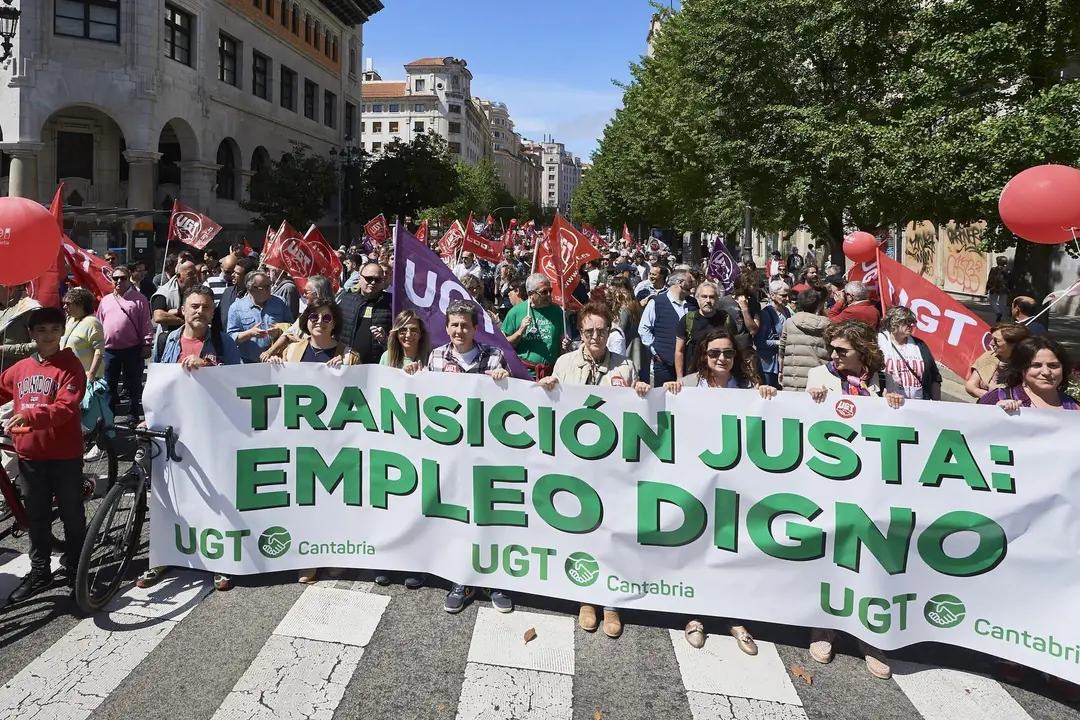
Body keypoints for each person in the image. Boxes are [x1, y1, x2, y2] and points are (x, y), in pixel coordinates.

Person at [538, 303, 650, 639]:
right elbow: (551, 407)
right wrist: (546, 388)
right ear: (580, 334)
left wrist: (642, 391)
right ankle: (587, 597)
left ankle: (611, 602)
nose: (596, 337)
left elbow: (637, 411)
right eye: (589, 331)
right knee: (583, 528)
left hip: (613, 465)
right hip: (576, 463)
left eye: (602, 331)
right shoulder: (565, 364)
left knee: (611, 531)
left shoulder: (625, 366)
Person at [664, 328, 773, 656]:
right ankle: (695, 615)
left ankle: (734, 617)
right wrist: (667, 390)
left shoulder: (750, 389)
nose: (721, 359)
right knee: (698, 545)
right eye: (714, 353)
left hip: (737, 484)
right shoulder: (690, 385)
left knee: (731, 548)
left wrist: (769, 395)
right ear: (704, 355)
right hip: (696, 482)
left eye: (727, 353)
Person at [805, 320, 902, 679]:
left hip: (872, 485)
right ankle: (822, 627)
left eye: (842, 350)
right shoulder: (820, 376)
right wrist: (812, 402)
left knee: (869, 557)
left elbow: (904, 422)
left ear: (863, 351)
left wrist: (895, 403)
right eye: (832, 349)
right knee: (830, 551)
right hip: (830, 482)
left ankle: (868, 636)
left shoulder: (884, 381)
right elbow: (802, 421)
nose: (834, 355)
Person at [405, 300, 514, 614]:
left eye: (465, 325)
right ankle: (460, 578)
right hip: (450, 452)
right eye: (454, 324)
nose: (459, 330)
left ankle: (494, 579)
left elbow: (509, 400)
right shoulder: (437, 356)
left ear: (475, 327)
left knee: (488, 514)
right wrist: (415, 374)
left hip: (485, 451)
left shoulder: (493, 356)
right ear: (447, 326)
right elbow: (425, 397)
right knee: (456, 516)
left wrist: (502, 380)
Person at [143, 286, 240, 592]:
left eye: (207, 307)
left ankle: (218, 559)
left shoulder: (224, 343)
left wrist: (209, 367)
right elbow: (155, 383)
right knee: (166, 492)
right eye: (195, 306)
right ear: (182, 310)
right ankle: (163, 555)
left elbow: (239, 382)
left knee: (213, 495)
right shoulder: (166, 340)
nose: (200, 311)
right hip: (171, 430)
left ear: (213, 313)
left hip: (210, 430)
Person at [0, 306, 87, 602]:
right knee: (35, 517)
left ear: (62, 331)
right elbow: (2, 388)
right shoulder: (21, 367)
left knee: (70, 511)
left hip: (64, 454)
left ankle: (77, 562)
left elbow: (65, 407)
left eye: (53, 329)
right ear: (31, 333)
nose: (48, 336)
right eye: (41, 330)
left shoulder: (70, 365)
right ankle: (40, 570)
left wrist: (31, 417)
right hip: (28, 455)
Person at [97, 265, 154, 423]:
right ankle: (109, 417)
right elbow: (99, 323)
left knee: (134, 384)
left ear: (129, 279)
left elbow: (146, 323)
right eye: (115, 278)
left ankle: (133, 413)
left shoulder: (139, 299)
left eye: (122, 278)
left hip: (133, 349)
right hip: (109, 351)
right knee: (109, 386)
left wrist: (147, 344)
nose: (119, 281)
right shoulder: (105, 301)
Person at [978, 336, 1078, 411]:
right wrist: (994, 414)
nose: (1046, 372)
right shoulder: (995, 399)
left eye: (1053, 365)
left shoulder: (1076, 408)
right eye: (1036, 365)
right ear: (1021, 368)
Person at [503, 273, 567, 379]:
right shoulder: (516, 312)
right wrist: (520, 332)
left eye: (550, 291)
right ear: (530, 294)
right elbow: (504, 346)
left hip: (551, 373)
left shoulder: (557, 311)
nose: (548, 295)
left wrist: (565, 345)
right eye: (543, 292)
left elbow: (562, 341)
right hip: (524, 374)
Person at [638, 270, 694, 386]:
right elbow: (643, 328)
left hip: (689, 363)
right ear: (680, 282)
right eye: (690, 281)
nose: (692, 285)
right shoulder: (657, 303)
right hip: (664, 364)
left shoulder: (693, 304)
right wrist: (656, 351)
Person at [261, 276, 336, 361]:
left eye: (306, 292)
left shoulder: (333, 314)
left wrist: (300, 342)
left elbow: (326, 341)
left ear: (316, 294)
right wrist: (269, 352)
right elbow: (289, 332)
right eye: (314, 317)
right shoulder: (306, 312)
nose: (304, 295)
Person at [877, 306, 941, 400]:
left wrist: (937, 402)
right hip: (889, 402)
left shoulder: (919, 345)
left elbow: (934, 375)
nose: (911, 325)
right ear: (893, 323)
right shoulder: (879, 343)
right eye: (907, 322)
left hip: (919, 403)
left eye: (912, 322)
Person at [674, 281, 735, 380]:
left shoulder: (726, 319)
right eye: (704, 296)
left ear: (717, 299)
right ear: (697, 298)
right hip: (693, 376)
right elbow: (679, 351)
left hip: (720, 377)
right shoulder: (687, 320)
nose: (708, 300)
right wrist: (680, 378)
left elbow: (734, 348)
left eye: (711, 297)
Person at [226, 271, 290, 363]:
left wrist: (279, 331)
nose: (268, 289)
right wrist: (250, 333)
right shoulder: (236, 307)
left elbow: (291, 329)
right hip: (247, 364)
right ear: (250, 288)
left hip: (276, 362)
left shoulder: (280, 303)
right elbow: (230, 338)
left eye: (269, 285)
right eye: (262, 287)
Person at [338, 262, 393, 364]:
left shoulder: (392, 304)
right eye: (369, 278)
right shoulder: (346, 300)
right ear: (360, 278)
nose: (372, 283)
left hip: (377, 367)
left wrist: (385, 339)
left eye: (377, 280)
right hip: (347, 364)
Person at [778, 288, 831, 391]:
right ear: (819, 305)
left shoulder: (789, 322)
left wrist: (780, 371)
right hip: (820, 378)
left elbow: (782, 350)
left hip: (793, 378)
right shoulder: (828, 325)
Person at [966, 323, 1030, 400]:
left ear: (1013, 344)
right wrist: (989, 396)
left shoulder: (1026, 368)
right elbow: (970, 385)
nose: (991, 343)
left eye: (996, 341)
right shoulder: (988, 357)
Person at [151, 260, 198, 349]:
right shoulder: (164, 292)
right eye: (190, 274)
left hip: (194, 340)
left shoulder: (200, 291)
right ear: (178, 276)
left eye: (196, 273)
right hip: (168, 342)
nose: (195, 277)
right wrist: (184, 320)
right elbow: (158, 316)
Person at [754, 280, 791, 388]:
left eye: (787, 295)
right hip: (768, 364)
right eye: (783, 296)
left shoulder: (786, 311)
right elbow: (759, 342)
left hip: (782, 362)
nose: (787, 299)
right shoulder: (766, 314)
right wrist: (779, 342)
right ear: (773, 295)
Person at [216, 256, 257, 331]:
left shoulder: (255, 297)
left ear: (248, 277)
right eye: (233, 272)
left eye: (237, 273)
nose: (232, 275)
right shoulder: (227, 292)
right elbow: (217, 320)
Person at [986, 256, 1011, 322]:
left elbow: (990, 279)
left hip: (994, 287)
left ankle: (998, 312)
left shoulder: (993, 269)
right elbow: (1010, 280)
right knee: (1002, 303)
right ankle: (1000, 314)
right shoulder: (1007, 270)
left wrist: (987, 288)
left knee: (992, 301)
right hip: (1004, 288)